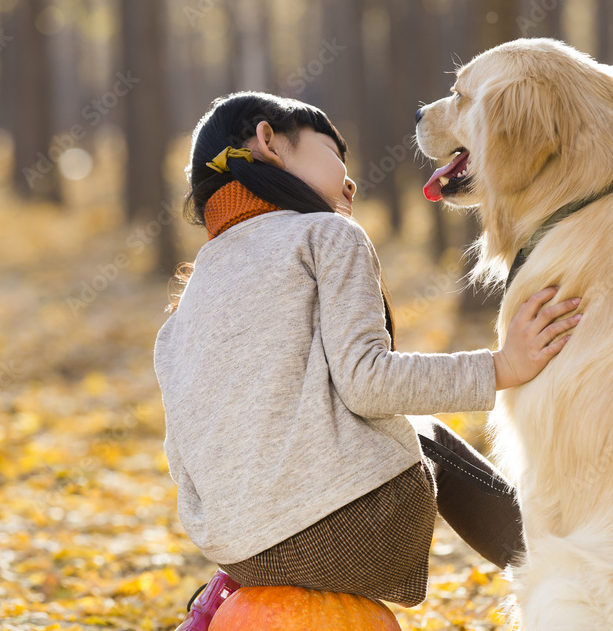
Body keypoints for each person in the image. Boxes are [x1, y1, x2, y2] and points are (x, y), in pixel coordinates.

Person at [153, 91, 582, 630]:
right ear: (269, 143)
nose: (350, 181)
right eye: (336, 155)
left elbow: (184, 453)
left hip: (240, 554)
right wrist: (502, 366)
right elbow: (368, 382)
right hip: (350, 534)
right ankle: (570, 571)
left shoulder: (187, 303)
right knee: (417, 430)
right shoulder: (325, 233)